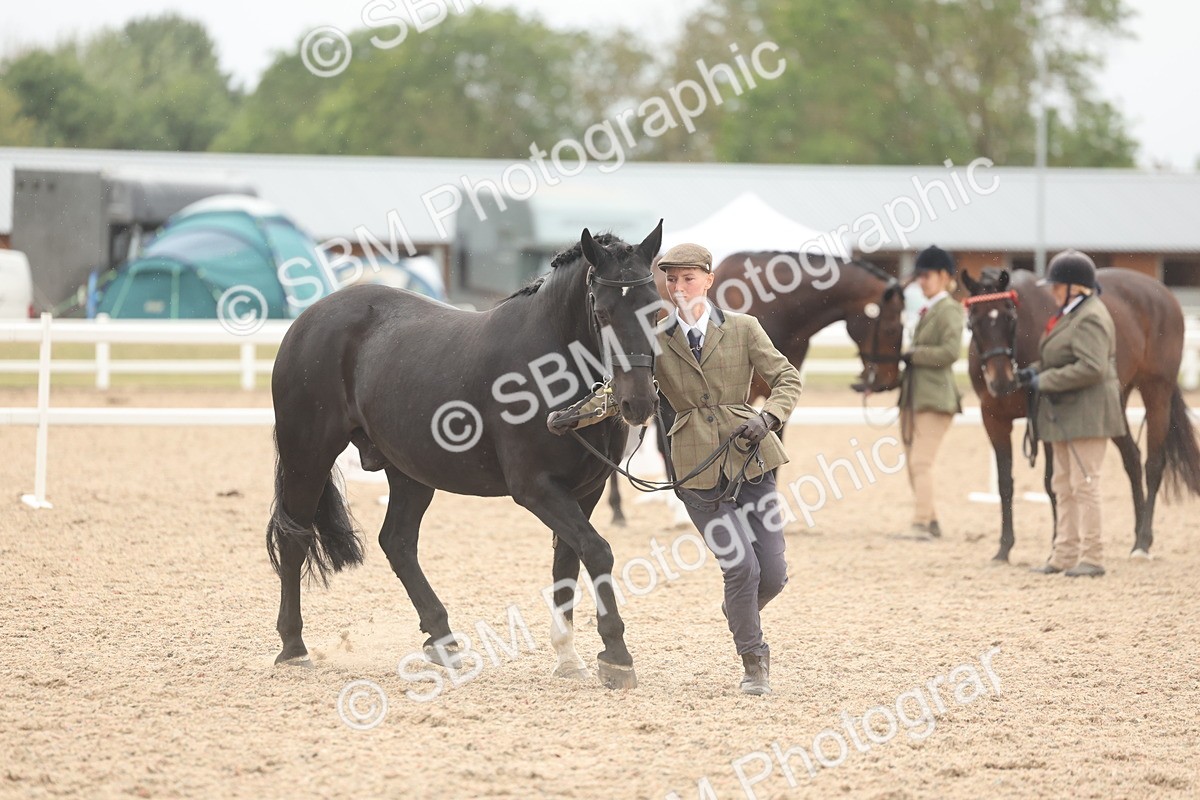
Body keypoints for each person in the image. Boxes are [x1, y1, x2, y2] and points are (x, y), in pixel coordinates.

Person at [547, 242, 802, 695]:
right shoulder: (654, 338)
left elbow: (787, 378)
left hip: (753, 458)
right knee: (741, 567)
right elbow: (622, 392)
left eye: (688, 278)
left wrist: (768, 418)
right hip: (695, 469)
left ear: (708, 280)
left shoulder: (744, 328)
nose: (679, 286)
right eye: (671, 279)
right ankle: (754, 660)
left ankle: (738, 608)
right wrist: (575, 415)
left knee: (773, 574)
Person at [1018, 250, 1125, 578]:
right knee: (1062, 484)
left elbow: (1092, 367)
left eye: (1057, 285)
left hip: (1088, 412)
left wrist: (1044, 380)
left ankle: (1092, 556)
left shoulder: (1091, 316)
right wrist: (1033, 371)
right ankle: (1064, 554)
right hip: (1066, 412)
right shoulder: (1068, 314)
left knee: (1084, 484)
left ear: (1075, 287)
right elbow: (1059, 357)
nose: (1052, 291)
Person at [898, 245, 964, 540]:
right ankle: (932, 520)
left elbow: (950, 351)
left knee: (920, 462)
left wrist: (914, 354)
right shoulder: (928, 309)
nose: (921, 282)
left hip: (935, 399)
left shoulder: (949, 309)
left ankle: (921, 523)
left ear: (944, 276)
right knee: (913, 462)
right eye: (920, 276)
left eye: (927, 276)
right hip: (915, 396)